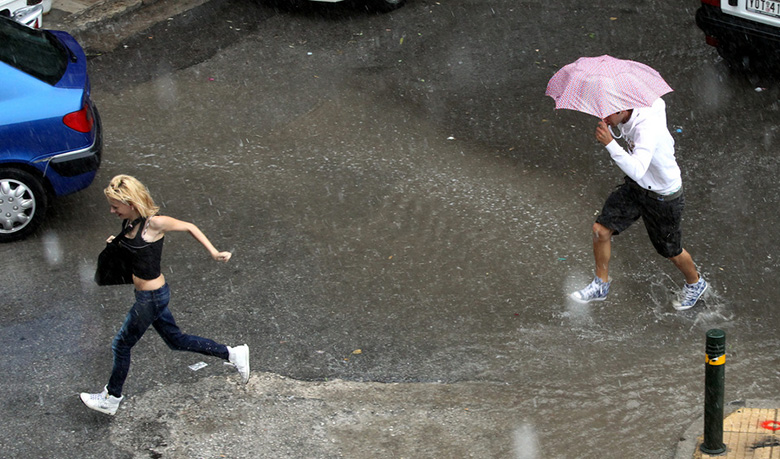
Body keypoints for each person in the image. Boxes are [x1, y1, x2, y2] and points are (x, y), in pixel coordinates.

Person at [80, 175, 249, 416]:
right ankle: (232, 354)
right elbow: (137, 253)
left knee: (121, 344)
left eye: (115, 206)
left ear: (130, 203)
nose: (111, 211)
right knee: (176, 340)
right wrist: (115, 244)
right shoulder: (130, 223)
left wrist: (214, 252)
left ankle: (112, 397)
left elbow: (189, 226)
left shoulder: (154, 224)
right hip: (149, 297)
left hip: (151, 299)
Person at [569, 97, 707, 310]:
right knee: (601, 230)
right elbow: (659, 103)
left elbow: (636, 169)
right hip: (637, 187)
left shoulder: (646, 128)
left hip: (663, 195)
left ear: (623, 108)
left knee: (671, 251)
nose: (603, 118)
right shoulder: (637, 109)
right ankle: (600, 284)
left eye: (608, 114)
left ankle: (696, 284)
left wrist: (610, 144)